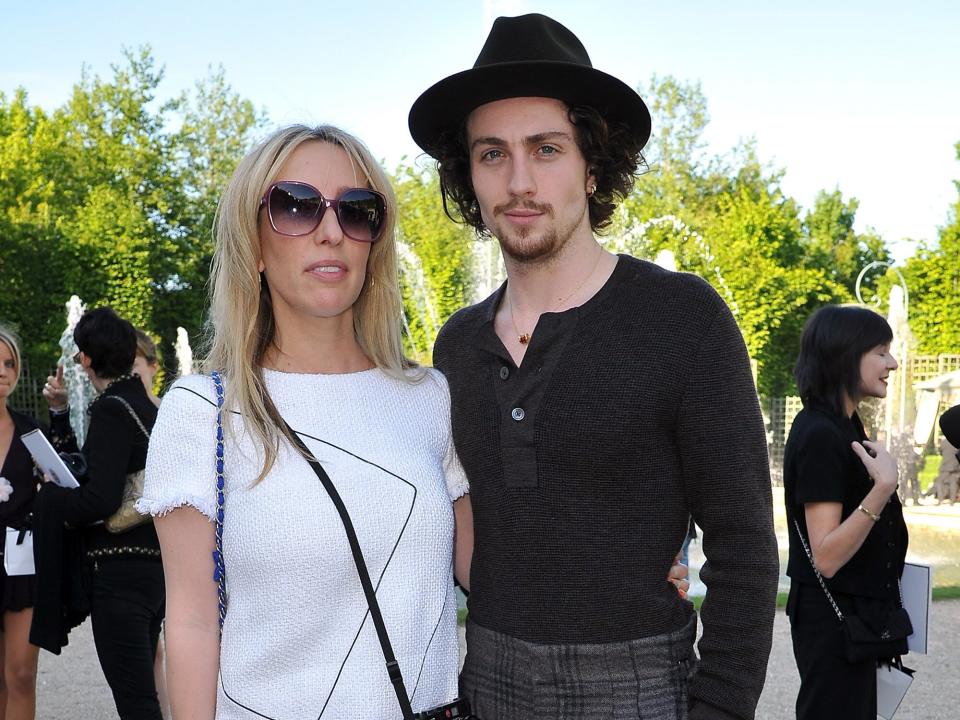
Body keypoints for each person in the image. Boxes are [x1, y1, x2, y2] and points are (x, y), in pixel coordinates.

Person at [408, 12, 780, 720]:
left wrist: (722, 709)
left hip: (640, 691)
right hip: (484, 684)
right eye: (492, 154)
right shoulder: (455, 346)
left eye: (546, 149)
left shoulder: (683, 318)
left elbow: (744, 548)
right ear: (469, 173)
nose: (519, 182)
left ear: (592, 162)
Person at [137, 124, 473, 719]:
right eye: (295, 206)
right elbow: (189, 620)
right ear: (255, 245)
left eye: (357, 211)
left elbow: (493, 567)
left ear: (375, 240)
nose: (330, 232)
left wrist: (630, 560)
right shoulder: (202, 412)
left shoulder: (430, 397)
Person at [37, 307, 164, 719]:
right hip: (151, 572)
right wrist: (60, 414)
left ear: (87, 359)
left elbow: (100, 500)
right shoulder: (144, 406)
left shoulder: (112, 407)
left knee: (136, 704)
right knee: (143, 696)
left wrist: (50, 501)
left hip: (120, 577)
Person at [783, 305, 908, 720]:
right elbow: (827, 555)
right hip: (834, 625)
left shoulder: (845, 425)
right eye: (880, 351)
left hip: (856, 621)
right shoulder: (820, 433)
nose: (892, 362)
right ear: (845, 354)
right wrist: (883, 489)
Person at [0, 325, 41, 720]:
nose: (2, 371)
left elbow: (66, 483)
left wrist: (60, 413)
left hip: (22, 567)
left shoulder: (31, 431)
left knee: (22, 673)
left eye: (9, 363)